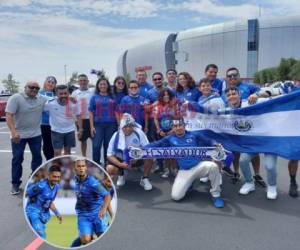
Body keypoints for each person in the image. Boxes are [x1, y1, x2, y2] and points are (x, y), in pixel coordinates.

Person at [145, 118, 225, 208]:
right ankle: (190, 184)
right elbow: (156, 144)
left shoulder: (193, 135)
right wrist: (141, 148)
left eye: (180, 125)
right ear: (173, 128)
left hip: (199, 166)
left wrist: (216, 144)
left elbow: (209, 141)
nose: (178, 128)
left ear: (184, 126)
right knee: (176, 196)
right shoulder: (170, 138)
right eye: (175, 126)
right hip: (184, 170)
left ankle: (216, 195)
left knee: (213, 166)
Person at [226, 87, 280, 199]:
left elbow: (276, 95)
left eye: (234, 93)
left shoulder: (251, 101)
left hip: (268, 139)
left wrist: (258, 95)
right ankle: (249, 183)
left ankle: (272, 185)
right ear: (226, 98)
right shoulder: (228, 111)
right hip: (253, 143)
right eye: (229, 95)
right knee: (243, 160)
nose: (232, 96)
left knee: (269, 166)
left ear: (239, 94)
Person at [6, 81, 47, 195]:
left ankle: (35, 180)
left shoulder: (41, 99)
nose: (34, 90)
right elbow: (9, 115)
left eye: (37, 88)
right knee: (17, 159)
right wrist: (13, 132)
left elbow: (57, 100)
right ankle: (15, 184)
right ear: (25, 87)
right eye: (31, 87)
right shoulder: (16, 98)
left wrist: (71, 98)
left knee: (37, 157)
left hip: (35, 134)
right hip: (19, 135)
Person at [106, 114, 153, 191]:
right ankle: (121, 175)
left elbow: (148, 148)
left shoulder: (139, 133)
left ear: (133, 126)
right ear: (121, 127)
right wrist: (120, 164)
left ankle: (144, 178)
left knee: (150, 157)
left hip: (137, 158)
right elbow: (109, 155)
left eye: (130, 126)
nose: (128, 129)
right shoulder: (116, 135)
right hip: (121, 160)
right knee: (110, 168)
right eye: (125, 126)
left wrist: (138, 156)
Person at [72, 158, 111, 245]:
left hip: (97, 214)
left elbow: (107, 195)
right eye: (79, 166)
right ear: (75, 169)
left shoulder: (92, 182)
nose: (81, 168)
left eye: (83, 166)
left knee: (103, 239)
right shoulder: (75, 180)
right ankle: (87, 235)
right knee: (85, 240)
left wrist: (103, 209)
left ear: (86, 168)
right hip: (83, 215)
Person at [25, 165, 62, 239]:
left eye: (58, 177)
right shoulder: (41, 186)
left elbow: (50, 202)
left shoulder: (57, 186)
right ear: (49, 175)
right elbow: (27, 193)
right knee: (40, 232)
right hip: (33, 211)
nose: (56, 179)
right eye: (54, 176)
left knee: (37, 234)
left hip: (44, 215)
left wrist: (57, 214)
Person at [44, 85, 82, 157]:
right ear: (56, 94)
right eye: (61, 94)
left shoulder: (73, 103)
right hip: (56, 131)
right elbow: (39, 108)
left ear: (68, 93)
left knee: (67, 152)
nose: (63, 95)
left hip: (70, 130)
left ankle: (66, 167)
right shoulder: (50, 103)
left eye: (65, 93)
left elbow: (78, 115)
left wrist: (80, 129)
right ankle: (57, 167)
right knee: (57, 152)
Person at [89, 77, 119, 165]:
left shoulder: (113, 97)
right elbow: (90, 112)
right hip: (98, 125)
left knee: (108, 146)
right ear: (98, 86)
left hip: (111, 125)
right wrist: (91, 127)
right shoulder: (94, 97)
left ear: (108, 86)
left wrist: (119, 125)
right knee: (96, 146)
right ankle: (96, 164)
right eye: (101, 84)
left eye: (104, 84)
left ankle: (107, 164)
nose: (103, 86)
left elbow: (116, 111)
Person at [153, 88, 179, 177]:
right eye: (164, 95)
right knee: (165, 152)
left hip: (173, 131)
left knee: (173, 151)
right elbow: (155, 119)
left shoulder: (174, 106)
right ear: (161, 97)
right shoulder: (157, 107)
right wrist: (159, 130)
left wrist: (174, 130)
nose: (166, 96)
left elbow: (177, 119)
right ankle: (167, 170)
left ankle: (175, 169)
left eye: (168, 94)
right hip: (162, 132)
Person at [71, 74, 93, 157]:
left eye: (84, 80)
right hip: (81, 121)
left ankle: (96, 158)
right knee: (83, 141)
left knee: (94, 140)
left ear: (88, 81)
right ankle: (84, 157)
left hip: (92, 120)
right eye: (81, 80)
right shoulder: (74, 93)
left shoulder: (92, 91)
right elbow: (72, 108)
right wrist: (75, 121)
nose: (83, 82)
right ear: (78, 82)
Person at [39, 76, 57, 160]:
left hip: (54, 124)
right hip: (42, 123)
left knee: (54, 144)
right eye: (49, 82)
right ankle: (48, 160)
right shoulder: (39, 93)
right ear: (45, 82)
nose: (50, 84)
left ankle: (53, 161)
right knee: (46, 144)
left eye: (52, 83)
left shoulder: (57, 94)